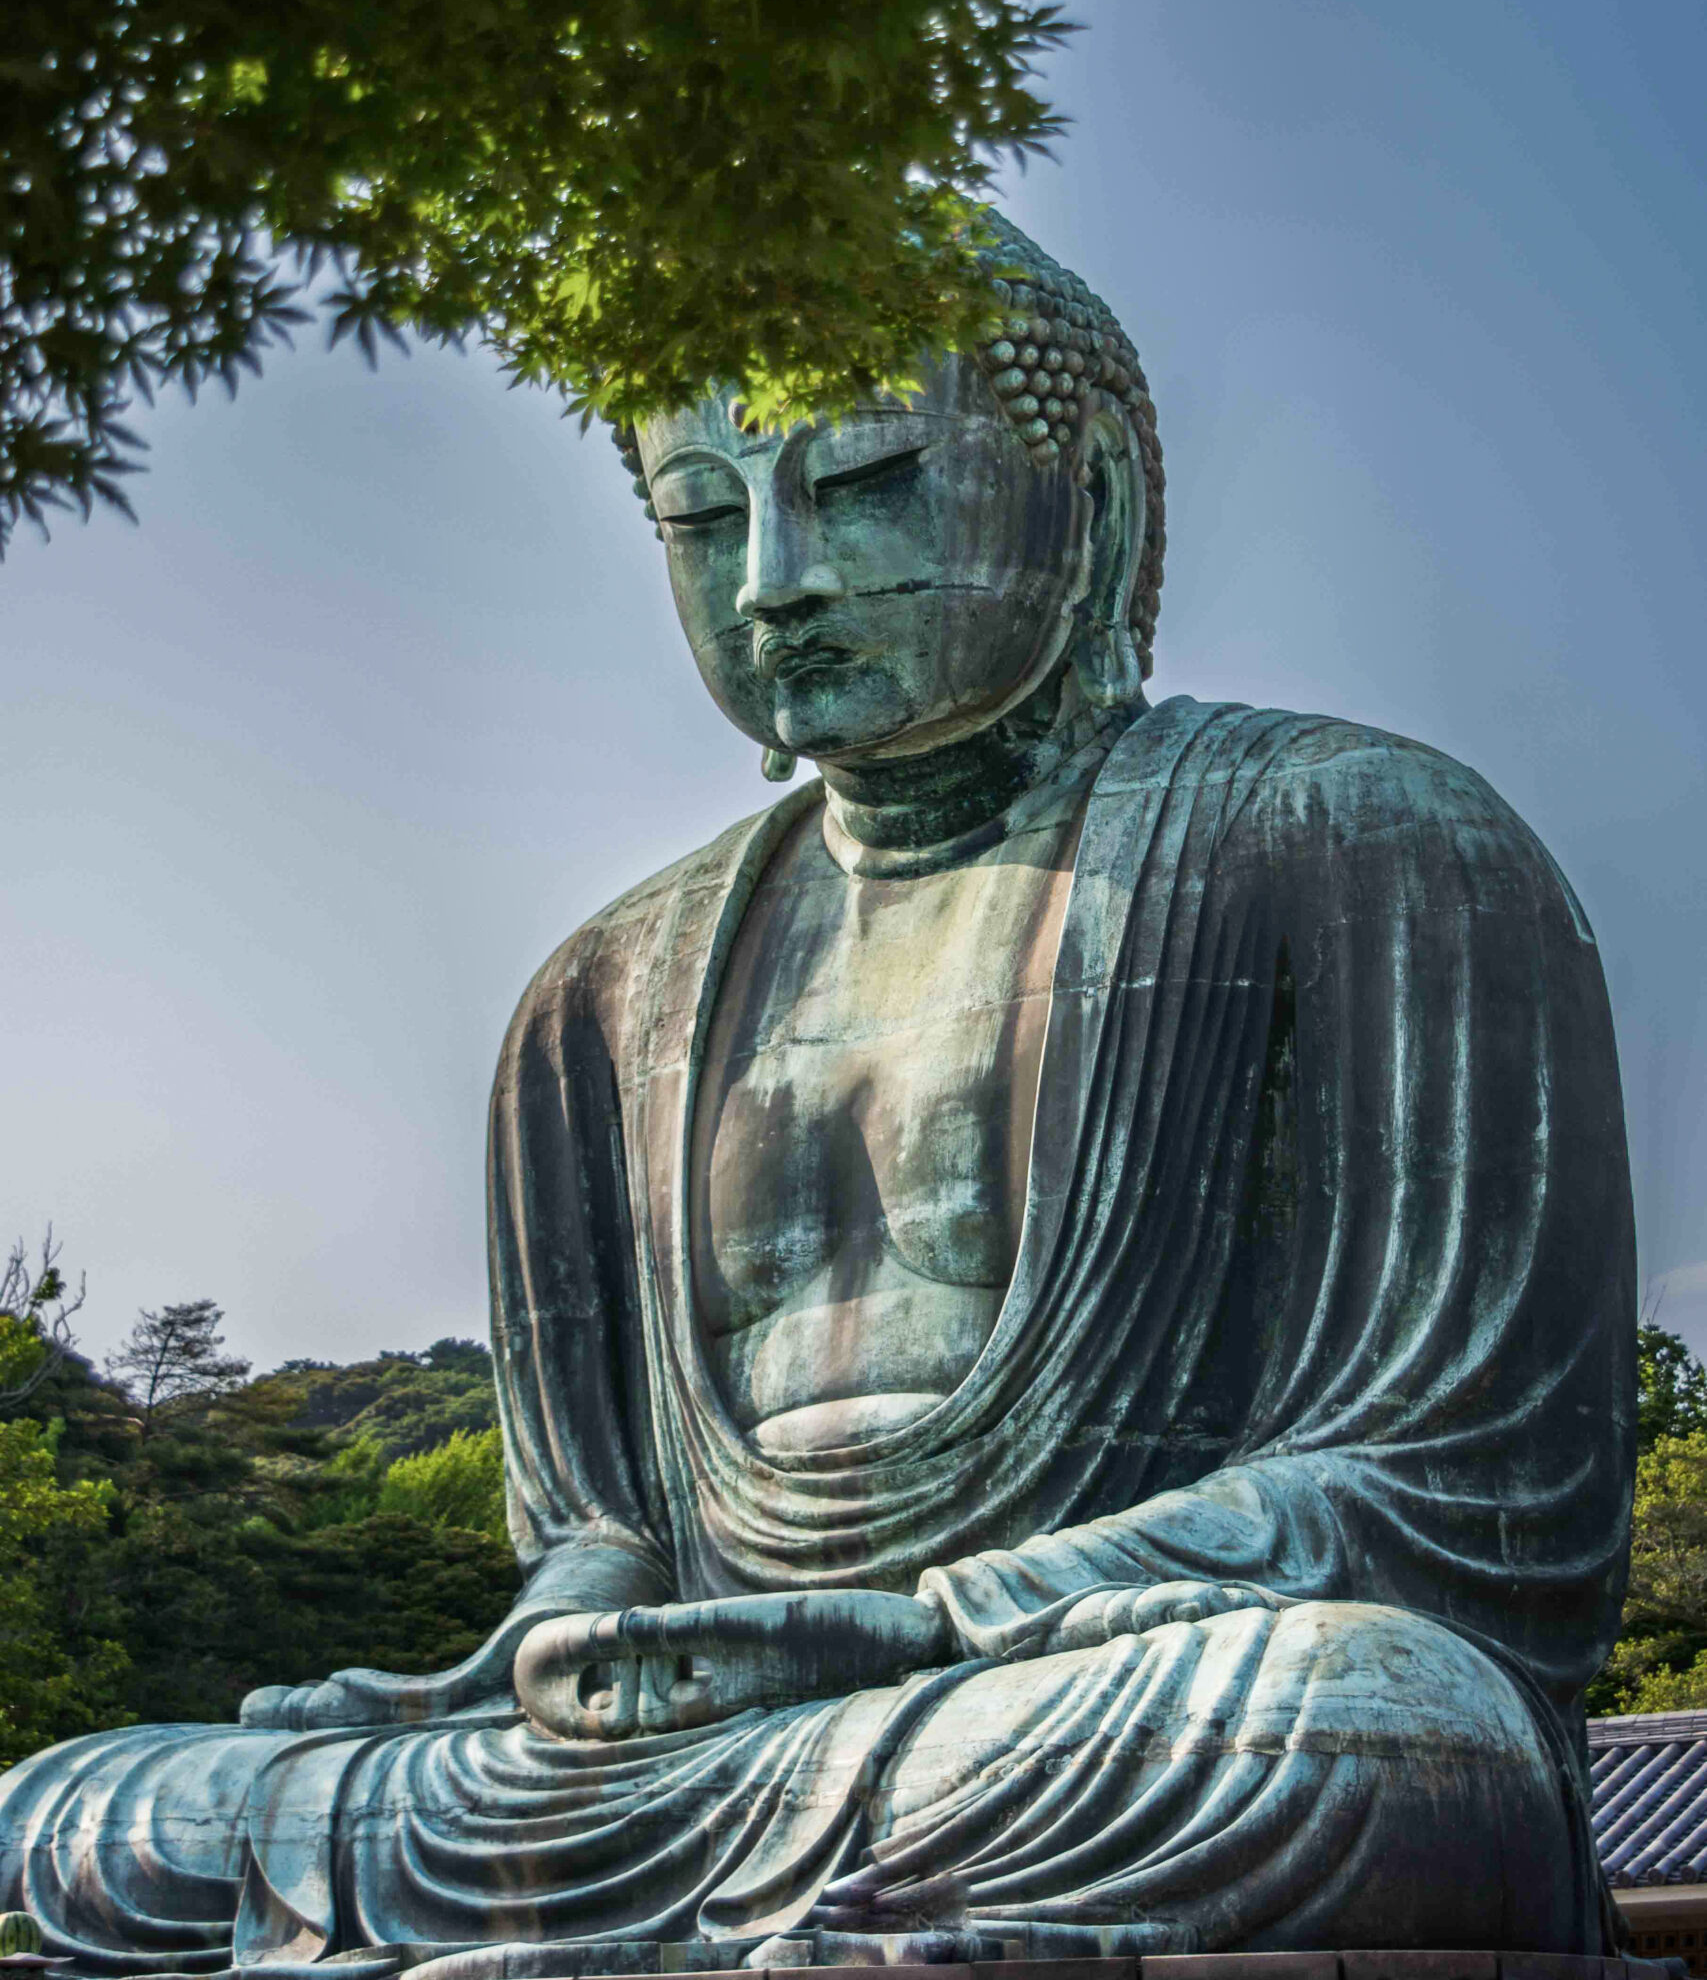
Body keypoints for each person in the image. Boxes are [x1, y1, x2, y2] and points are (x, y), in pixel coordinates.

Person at [0, 214, 1635, 1976]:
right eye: (702, 515)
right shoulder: (600, 997)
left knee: (1359, 1728)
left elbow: (1477, 1502)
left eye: (860, 479)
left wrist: (931, 1621)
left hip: (1107, 1697)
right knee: (78, 1816)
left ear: (1089, 500)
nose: (773, 577)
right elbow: (606, 1529)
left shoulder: (1365, 843)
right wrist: (559, 1637)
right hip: (710, 1757)